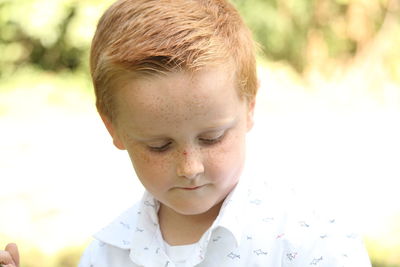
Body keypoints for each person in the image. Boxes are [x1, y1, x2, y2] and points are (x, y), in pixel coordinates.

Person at [1, 0, 372, 266]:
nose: (190, 167)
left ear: (250, 106)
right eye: (159, 146)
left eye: (211, 138)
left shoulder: (313, 242)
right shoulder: (109, 252)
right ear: (112, 126)